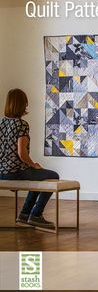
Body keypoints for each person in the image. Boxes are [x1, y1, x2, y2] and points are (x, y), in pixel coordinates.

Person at [0, 89, 59, 229]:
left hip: (1, 171)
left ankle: (25, 214)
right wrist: (33, 164)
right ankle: (36, 215)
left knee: (39, 177)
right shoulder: (22, 125)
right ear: (22, 105)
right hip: (15, 172)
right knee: (52, 175)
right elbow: (21, 153)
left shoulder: (1, 123)